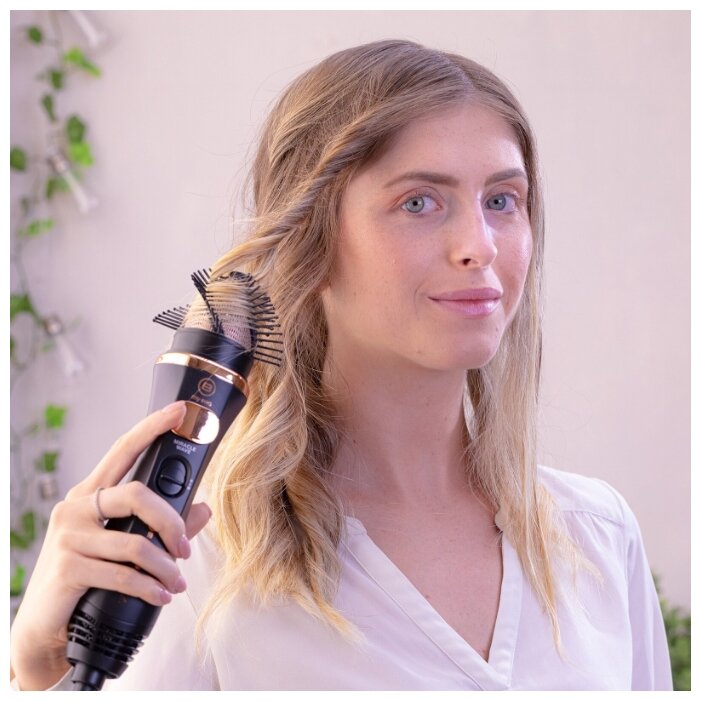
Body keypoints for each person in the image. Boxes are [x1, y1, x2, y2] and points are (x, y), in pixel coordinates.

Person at [9, 39, 673, 691]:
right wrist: (38, 673)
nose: (479, 245)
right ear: (310, 241)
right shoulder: (198, 566)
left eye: (501, 200)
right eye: (419, 202)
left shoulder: (596, 536)